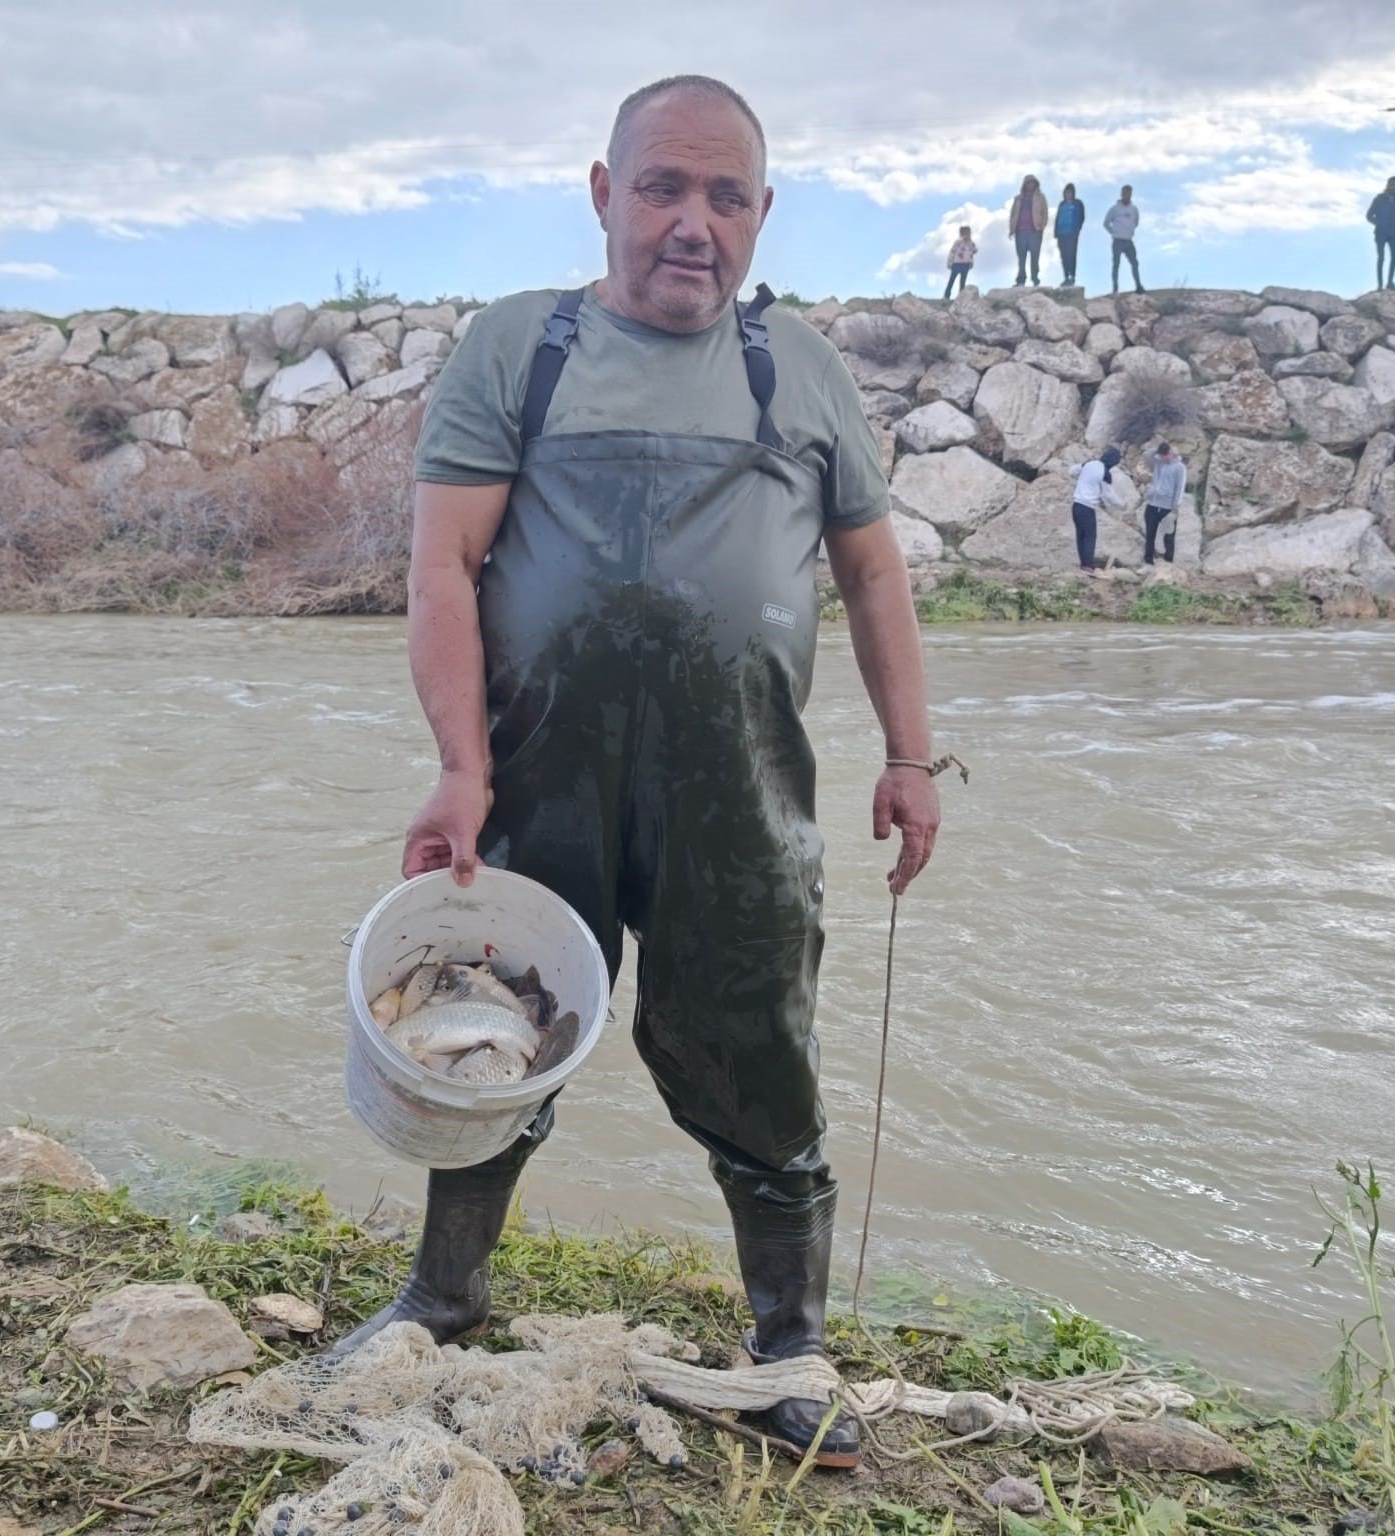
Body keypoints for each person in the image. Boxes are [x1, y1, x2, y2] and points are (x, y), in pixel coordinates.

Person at [329, 74, 941, 1472]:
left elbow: (871, 572)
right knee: (487, 1027)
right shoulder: (520, 351)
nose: (691, 224)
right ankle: (444, 1292)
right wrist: (459, 769)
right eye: (662, 188)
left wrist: (910, 756)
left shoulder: (802, 370)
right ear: (604, 196)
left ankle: (789, 1341)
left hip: (740, 789)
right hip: (541, 782)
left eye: (726, 197)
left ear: (762, 216)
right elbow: (445, 566)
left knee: (757, 1042)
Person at [1068, 446, 1124, 573]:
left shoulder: (1089, 463)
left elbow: (1072, 471)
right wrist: (1122, 505)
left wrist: (1083, 479)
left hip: (1076, 505)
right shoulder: (1105, 473)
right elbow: (1109, 496)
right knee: (1089, 536)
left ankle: (1083, 564)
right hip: (1087, 507)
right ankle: (1088, 565)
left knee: (1080, 535)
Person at [1143, 442, 1184, 564]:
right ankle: (1148, 561)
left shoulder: (1179, 467)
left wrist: (1175, 507)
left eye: (1164, 456)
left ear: (1170, 454)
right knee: (1150, 535)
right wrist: (1156, 450)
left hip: (1167, 507)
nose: (1163, 459)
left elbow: (1179, 487)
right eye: (1161, 456)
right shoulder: (1158, 463)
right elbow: (1146, 455)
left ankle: (1168, 561)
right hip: (1152, 504)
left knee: (1169, 535)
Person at [1008, 174, 1048, 285]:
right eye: (1028, 183)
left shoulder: (1041, 198)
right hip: (1020, 230)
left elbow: (1044, 213)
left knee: (1035, 256)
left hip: (1034, 230)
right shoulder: (1018, 199)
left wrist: (1041, 226)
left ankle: (1035, 278)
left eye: (1032, 183)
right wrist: (1012, 229)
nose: (1030, 185)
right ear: (1024, 185)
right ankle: (1021, 279)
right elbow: (1013, 214)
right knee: (1021, 257)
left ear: (1035, 184)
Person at [1104, 185, 1143, 295]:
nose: (1127, 195)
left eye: (1129, 193)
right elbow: (1106, 223)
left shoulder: (1134, 209)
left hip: (1128, 241)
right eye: (1125, 193)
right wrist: (1114, 232)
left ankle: (1138, 286)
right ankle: (1115, 289)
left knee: (1134, 263)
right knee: (1116, 265)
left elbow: (1136, 222)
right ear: (1121, 194)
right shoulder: (1115, 209)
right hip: (1117, 240)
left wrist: (1130, 231)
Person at [1369, 177, 1395, 291]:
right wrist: (1378, 223)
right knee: (1381, 258)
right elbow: (1369, 215)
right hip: (1380, 233)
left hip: (1392, 232)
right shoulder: (1379, 199)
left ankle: (1390, 282)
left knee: (1394, 256)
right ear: (1388, 185)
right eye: (1392, 185)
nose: (1394, 187)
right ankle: (1380, 284)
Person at [1052, 184, 1085, 286]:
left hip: (1072, 234)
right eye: (1066, 192)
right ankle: (1066, 276)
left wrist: (1077, 230)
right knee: (1064, 256)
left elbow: (1081, 217)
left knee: (1071, 255)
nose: (1068, 194)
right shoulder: (1061, 204)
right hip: (1061, 234)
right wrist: (1056, 232)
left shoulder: (1078, 204)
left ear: (1073, 193)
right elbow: (1057, 219)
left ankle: (1072, 276)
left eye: (1070, 192)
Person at [942, 224, 977, 299]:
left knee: (962, 282)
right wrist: (949, 262)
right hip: (957, 263)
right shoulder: (958, 242)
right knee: (952, 280)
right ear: (962, 234)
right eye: (966, 233)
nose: (967, 235)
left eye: (969, 233)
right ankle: (946, 295)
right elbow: (952, 252)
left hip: (966, 264)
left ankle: (961, 297)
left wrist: (971, 262)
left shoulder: (971, 243)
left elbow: (973, 252)